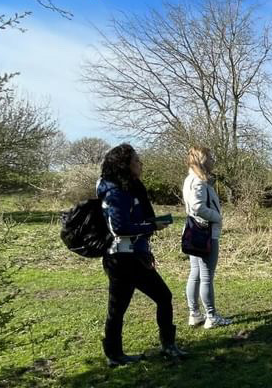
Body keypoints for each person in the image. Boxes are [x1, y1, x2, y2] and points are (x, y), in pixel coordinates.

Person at [97, 143, 187, 366]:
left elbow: (132, 220)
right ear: (124, 165)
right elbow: (119, 227)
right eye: (136, 160)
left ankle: (118, 353)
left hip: (132, 254)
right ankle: (158, 347)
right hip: (122, 258)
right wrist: (151, 227)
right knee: (150, 299)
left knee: (122, 307)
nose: (141, 164)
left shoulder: (129, 187)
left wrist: (147, 239)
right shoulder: (116, 191)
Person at [183, 146, 230, 329]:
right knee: (206, 276)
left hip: (194, 231)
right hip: (205, 233)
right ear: (202, 160)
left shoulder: (189, 179)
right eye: (210, 157)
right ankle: (211, 316)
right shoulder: (199, 181)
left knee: (195, 274)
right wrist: (217, 217)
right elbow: (197, 207)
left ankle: (194, 313)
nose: (213, 160)